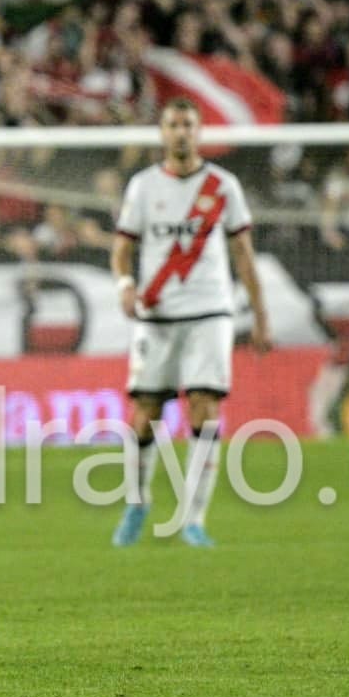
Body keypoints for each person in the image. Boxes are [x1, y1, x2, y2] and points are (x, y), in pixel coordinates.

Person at [109, 99, 270, 548]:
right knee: (145, 414)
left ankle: (193, 520)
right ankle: (137, 502)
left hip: (210, 312)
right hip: (156, 314)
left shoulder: (223, 186)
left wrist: (260, 314)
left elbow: (244, 254)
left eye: (188, 125)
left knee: (204, 407)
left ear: (199, 132)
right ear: (162, 132)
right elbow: (122, 248)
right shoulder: (143, 187)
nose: (181, 132)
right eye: (173, 124)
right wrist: (124, 284)